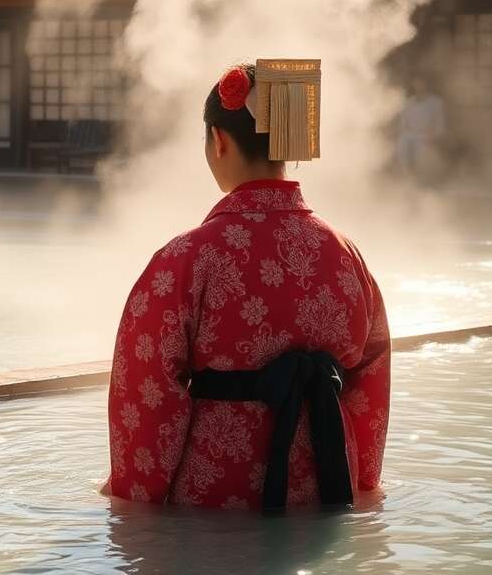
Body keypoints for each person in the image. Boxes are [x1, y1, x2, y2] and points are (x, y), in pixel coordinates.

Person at [106, 62, 390, 511]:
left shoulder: (185, 259)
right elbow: (369, 383)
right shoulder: (346, 255)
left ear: (218, 140)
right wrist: (362, 480)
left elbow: (147, 394)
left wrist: (133, 500)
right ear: (287, 144)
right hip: (326, 485)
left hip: (214, 500)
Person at [395, 75, 446, 180]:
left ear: (427, 85)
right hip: (411, 135)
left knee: (421, 148)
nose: (419, 86)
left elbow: (440, 124)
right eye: (417, 84)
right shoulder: (409, 103)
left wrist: (435, 135)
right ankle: (408, 176)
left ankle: (422, 178)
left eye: (422, 83)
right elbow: (403, 124)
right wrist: (405, 133)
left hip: (428, 135)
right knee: (402, 142)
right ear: (413, 85)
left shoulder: (435, 102)